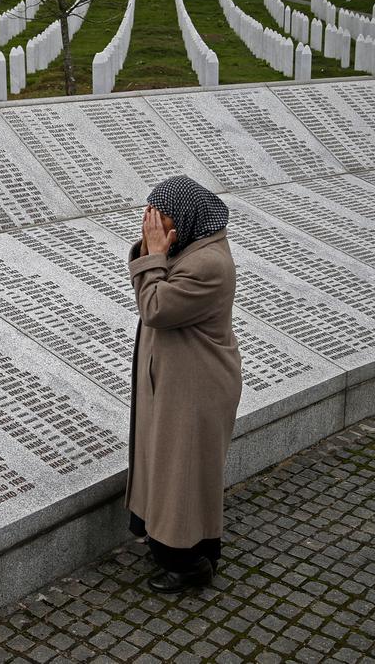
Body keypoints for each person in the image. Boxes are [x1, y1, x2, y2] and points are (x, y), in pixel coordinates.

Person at [125, 175, 243, 593]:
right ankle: (200, 547)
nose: (155, 229)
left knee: (183, 474)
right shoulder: (192, 247)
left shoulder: (207, 264)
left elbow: (154, 306)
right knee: (180, 471)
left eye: (163, 221)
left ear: (189, 220)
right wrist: (153, 251)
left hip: (197, 387)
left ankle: (187, 564)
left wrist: (153, 254)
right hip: (181, 382)